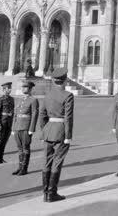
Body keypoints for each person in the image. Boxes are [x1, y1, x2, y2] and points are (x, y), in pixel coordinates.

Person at [39, 69, 74, 203]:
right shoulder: (67, 95)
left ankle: (45, 193)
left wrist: (45, 129)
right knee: (57, 162)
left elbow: (42, 115)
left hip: (48, 131)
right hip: (61, 132)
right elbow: (68, 117)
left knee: (46, 162)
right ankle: (52, 193)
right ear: (65, 80)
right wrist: (68, 135)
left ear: (54, 80)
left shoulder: (47, 95)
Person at [11, 80, 39, 176]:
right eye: (22, 87)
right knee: (19, 148)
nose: (23, 88)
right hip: (18, 126)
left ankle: (24, 168)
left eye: (25, 87)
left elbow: (35, 114)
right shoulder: (20, 99)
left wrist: (31, 129)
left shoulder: (33, 100)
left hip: (26, 127)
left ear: (30, 89)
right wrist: (13, 128)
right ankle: (19, 167)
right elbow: (15, 114)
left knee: (25, 147)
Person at [0, 82, 14, 164]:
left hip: (8, 123)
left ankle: (1, 158)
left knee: (4, 141)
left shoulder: (12, 99)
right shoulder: (0, 100)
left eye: (10, 88)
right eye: (9, 88)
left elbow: (12, 112)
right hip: (2, 122)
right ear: (4, 89)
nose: (10, 89)